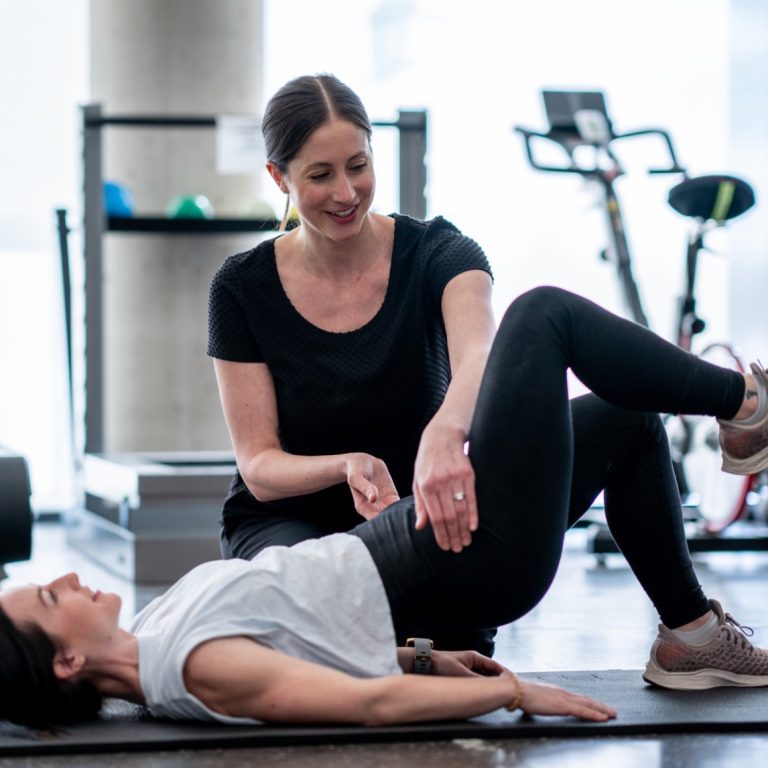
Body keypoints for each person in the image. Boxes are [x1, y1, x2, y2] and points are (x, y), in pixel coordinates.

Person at [3, 286, 768, 730]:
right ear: (66, 662)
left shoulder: (158, 631)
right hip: (466, 563)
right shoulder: (189, 666)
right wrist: (508, 691)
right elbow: (362, 703)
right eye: (50, 598)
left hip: (421, 542)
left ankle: (692, 636)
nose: (64, 578)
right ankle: (747, 406)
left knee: (626, 419)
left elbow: (299, 644)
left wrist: (426, 657)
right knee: (541, 317)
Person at [206, 73, 496, 653]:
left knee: (453, 640)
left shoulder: (440, 253)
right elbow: (259, 466)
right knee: (323, 608)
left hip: (411, 513)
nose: (346, 193)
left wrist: (445, 434)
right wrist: (346, 466)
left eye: (358, 166)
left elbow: (481, 358)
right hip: (289, 524)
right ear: (278, 177)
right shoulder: (240, 286)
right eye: (320, 175)